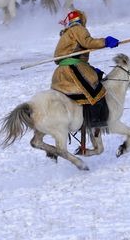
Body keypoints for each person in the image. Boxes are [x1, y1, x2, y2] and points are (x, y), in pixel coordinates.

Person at [49, 10, 119, 153]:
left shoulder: (66, 33)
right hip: (72, 69)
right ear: (81, 19)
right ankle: (94, 121)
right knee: (96, 91)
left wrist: (91, 69)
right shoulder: (78, 29)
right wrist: (105, 41)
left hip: (61, 73)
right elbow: (88, 42)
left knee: (94, 76)